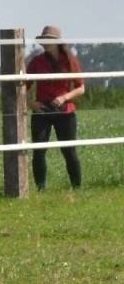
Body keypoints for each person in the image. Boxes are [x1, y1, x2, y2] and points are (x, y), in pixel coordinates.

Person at [27, 25, 84, 191]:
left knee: (69, 151)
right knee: (39, 151)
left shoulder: (70, 61)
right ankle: (41, 188)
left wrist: (64, 97)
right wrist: (31, 103)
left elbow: (80, 87)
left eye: (49, 39)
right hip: (42, 110)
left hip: (65, 111)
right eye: (43, 39)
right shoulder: (37, 62)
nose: (45, 42)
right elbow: (24, 86)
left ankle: (76, 186)